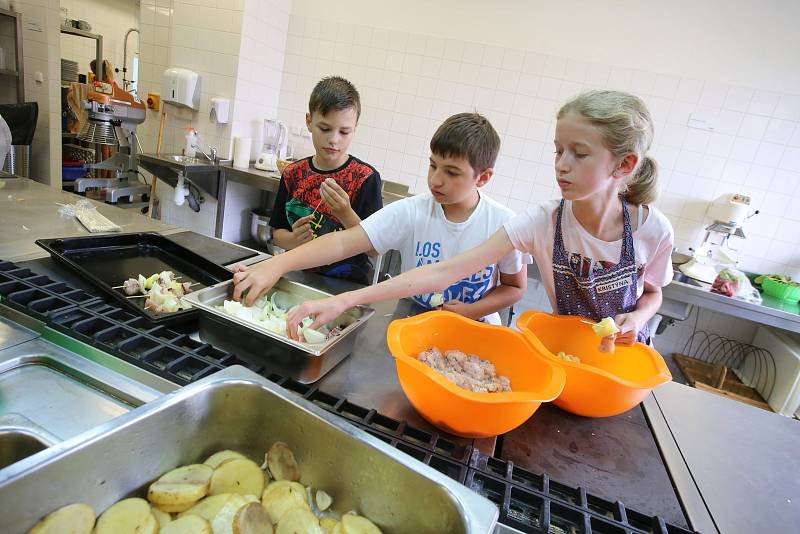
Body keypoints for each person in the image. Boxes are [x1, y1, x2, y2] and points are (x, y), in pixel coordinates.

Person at [283, 91, 674, 346]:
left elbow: (653, 292)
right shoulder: (543, 221)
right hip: (564, 349)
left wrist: (637, 317)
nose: (562, 166)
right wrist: (341, 297)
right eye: (558, 151)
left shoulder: (653, 230)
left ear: (624, 165)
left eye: (579, 153)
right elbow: (442, 272)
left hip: (622, 355)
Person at [233, 112, 529, 327]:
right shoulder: (414, 210)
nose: (435, 180)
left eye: (451, 172)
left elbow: (515, 287)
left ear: (484, 177)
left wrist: (472, 310)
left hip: (477, 328)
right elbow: (343, 242)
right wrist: (276, 264)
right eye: (432, 165)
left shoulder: (502, 223)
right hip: (414, 321)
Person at [268, 76, 382, 284]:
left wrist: (345, 213)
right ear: (309, 122)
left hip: (346, 286)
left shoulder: (366, 178)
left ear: (355, 127)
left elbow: (375, 249)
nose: (334, 139)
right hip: (298, 278)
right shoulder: (293, 174)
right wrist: (295, 239)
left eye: (344, 131)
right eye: (325, 128)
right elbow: (277, 234)